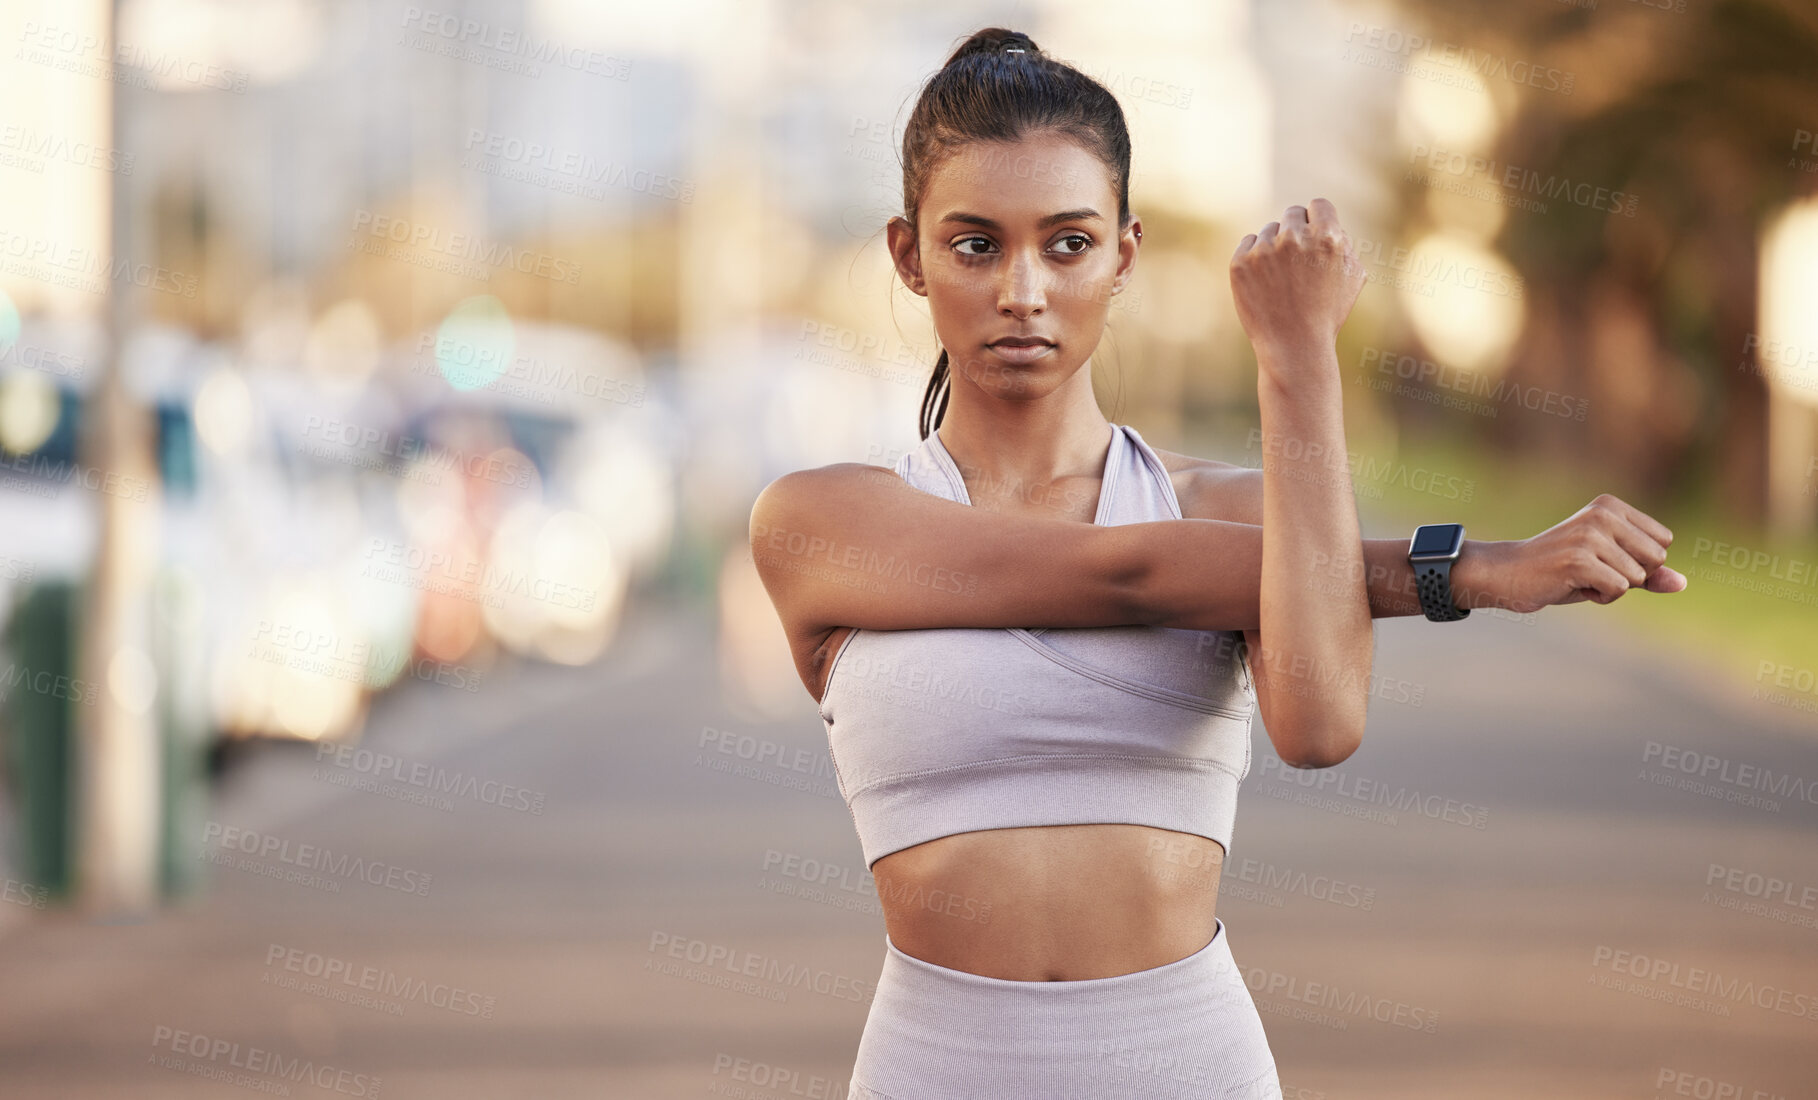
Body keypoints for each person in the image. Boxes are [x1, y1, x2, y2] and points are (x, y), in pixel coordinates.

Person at [747, 26, 1686, 1099]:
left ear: (1124, 256)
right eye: (975, 244)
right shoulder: (826, 520)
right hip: (935, 1066)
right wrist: (1467, 569)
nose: (1023, 289)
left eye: (1066, 243)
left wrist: (1296, 359)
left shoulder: (1240, 508)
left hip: (1185, 1063)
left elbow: (1322, 726)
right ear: (909, 255)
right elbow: (1124, 576)